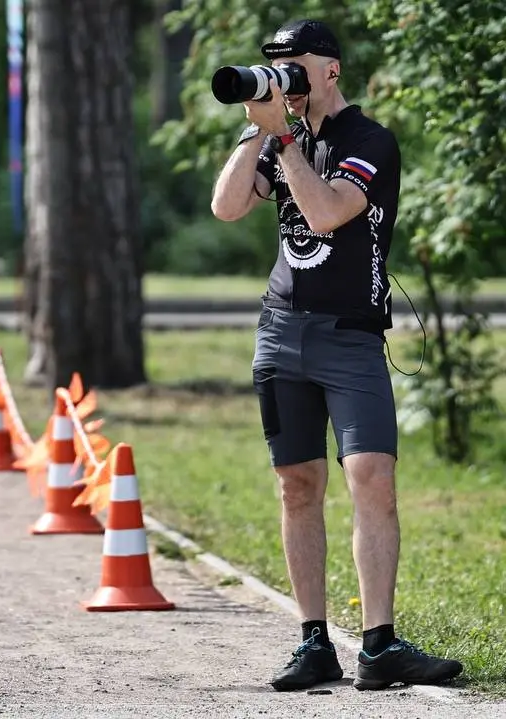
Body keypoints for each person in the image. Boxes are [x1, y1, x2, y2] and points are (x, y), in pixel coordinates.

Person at [209, 20, 463, 692]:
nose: (286, 76)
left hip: (350, 334)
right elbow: (227, 206)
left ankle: (378, 644)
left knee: (372, 476)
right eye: (276, 66)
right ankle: (314, 639)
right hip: (281, 332)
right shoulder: (277, 135)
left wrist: (286, 138)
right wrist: (256, 127)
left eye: (296, 66)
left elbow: (325, 212)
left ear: (330, 70)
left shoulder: (368, 142)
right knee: (297, 485)